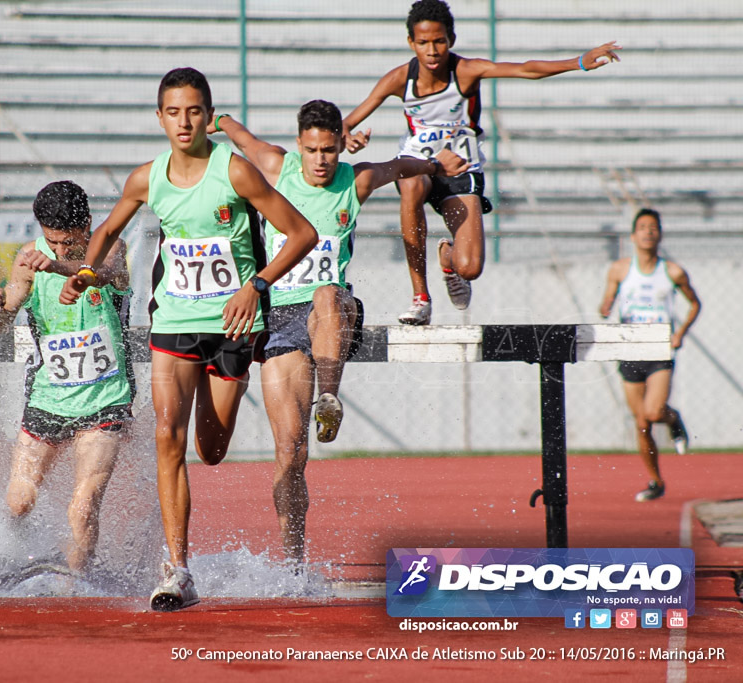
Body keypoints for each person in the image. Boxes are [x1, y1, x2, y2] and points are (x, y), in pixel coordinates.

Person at [61, 67, 318, 611]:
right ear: (160, 118)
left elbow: (303, 234)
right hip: (174, 322)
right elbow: (107, 230)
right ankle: (178, 569)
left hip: (231, 327)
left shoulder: (236, 172)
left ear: (209, 116)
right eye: (174, 112)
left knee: (212, 449)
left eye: (194, 111)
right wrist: (85, 273)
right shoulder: (146, 178)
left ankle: (214, 400)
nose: (184, 121)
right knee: (165, 435)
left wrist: (256, 285)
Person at [211, 101, 467, 562]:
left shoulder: (356, 179)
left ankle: (329, 397)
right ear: (299, 146)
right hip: (282, 319)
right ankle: (293, 563)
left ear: (338, 143)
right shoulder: (276, 167)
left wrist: (434, 165)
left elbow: (397, 166)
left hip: (334, 311)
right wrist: (217, 119)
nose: (322, 159)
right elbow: (241, 138)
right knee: (290, 453)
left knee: (327, 291)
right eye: (312, 150)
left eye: (329, 149)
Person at [342, 0, 621, 325]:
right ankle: (421, 296)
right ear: (411, 43)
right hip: (421, 166)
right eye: (423, 43)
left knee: (470, 268)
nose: (432, 51)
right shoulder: (399, 79)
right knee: (409, 181)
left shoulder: (465, 71)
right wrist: (349, 138)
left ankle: (448, 258)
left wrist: (579, 62)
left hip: (461, 171)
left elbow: (525, 69)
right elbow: (347, 122)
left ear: (451, 39)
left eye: (439, 41)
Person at [0, 180, 134, 573]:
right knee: (18, 501)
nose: (61, 250)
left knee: (82, 508)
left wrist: (63, 267)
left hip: (105, 399)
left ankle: (77, 590)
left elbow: (105, 274)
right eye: (53, 243)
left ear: (88, 226)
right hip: (49, 396)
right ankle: (14, 563)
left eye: (70, 242)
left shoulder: (112, 246)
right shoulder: (29, 258)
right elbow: (0, 323)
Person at [599, 208, 701, 502]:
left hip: (659, 350)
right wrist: (605, 307)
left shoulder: (672, 272)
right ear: (633, 235)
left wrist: (680, 333)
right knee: (642, 423)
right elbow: (606, 302)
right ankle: (656, 480)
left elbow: (695, 304)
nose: (648, 232)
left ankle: (672, 418)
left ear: (659, 234)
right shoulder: (620, 269)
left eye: (653, 227)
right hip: (630, 349)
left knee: (653, 412)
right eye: (642, 227)